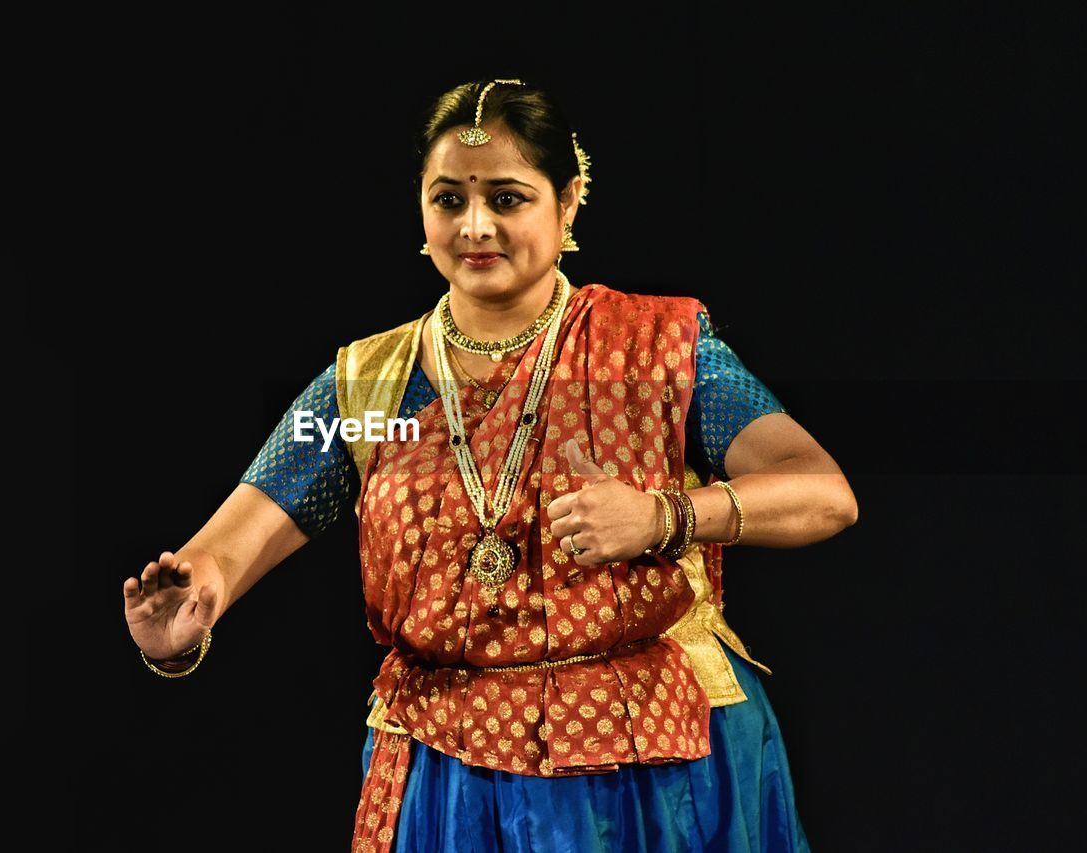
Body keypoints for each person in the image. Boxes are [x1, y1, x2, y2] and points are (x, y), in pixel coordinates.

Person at [122, 78, 857, 852]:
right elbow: (235, 538)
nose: (475, 226)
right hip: (451, 774)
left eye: (507, 199)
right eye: (448, 200)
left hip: (649, 766)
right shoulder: (373, 387)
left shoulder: (656, 350)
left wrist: (665, 515)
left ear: (567, 202)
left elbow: (823, 493)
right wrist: (189, 605)